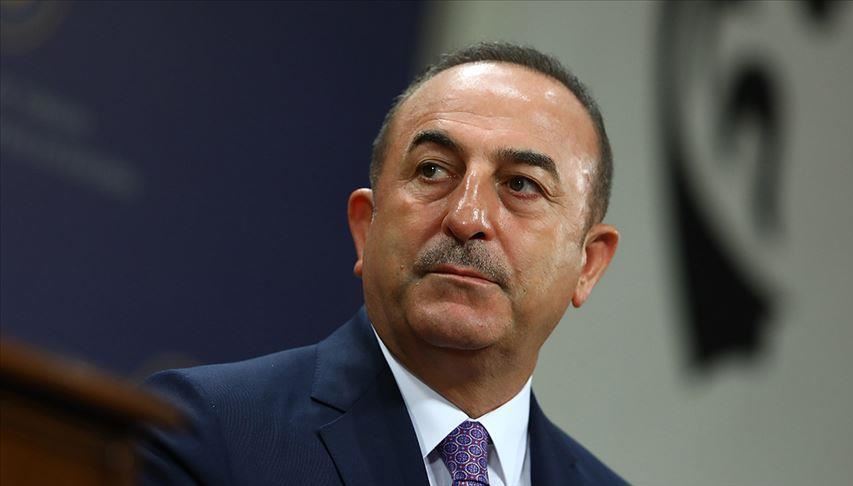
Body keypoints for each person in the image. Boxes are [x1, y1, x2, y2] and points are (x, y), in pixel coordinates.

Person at [139, 42, 624, 485]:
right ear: (365, 228)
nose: (466, 217)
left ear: (589, 264)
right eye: (433, 170)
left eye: (521, 185)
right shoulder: (202, 432)